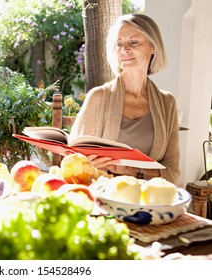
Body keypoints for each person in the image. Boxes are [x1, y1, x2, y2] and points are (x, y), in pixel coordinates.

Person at [70, 14, 180, 184]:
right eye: (119, 44)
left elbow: (172, 171)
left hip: (150, 202)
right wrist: (91, 165)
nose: (124, 49)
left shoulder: (167, 103)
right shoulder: (98, 97)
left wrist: (130, 170)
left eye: (133, 42)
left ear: (153, 46)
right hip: (102, 199)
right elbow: (73, 161)